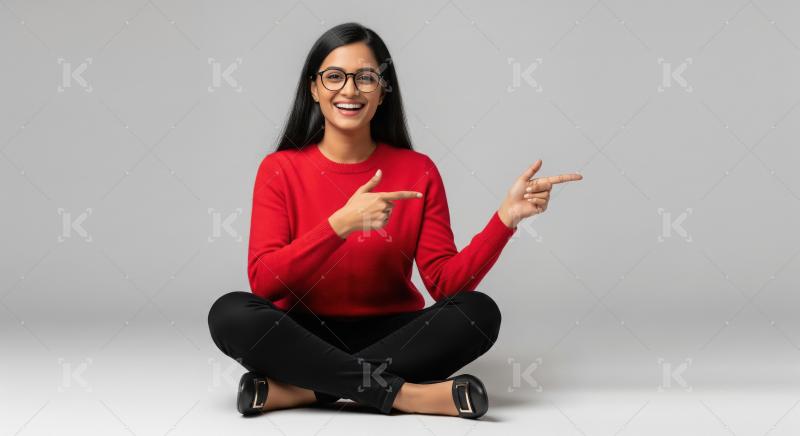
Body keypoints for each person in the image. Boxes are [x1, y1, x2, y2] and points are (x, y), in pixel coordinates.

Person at [207, 22, 583, 419]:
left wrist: (504, 220)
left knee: (478, 313)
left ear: (383, 90)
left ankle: (310, 390)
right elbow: (264, 282)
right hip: (302, 331)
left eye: (366, 78)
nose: (349, 90)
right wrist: (339, 225)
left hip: (394, 334)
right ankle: (408, 396)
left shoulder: (417, 169)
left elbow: (444, 284)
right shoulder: (279, 169)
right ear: (313, 88)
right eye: (334, 77)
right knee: (230, 313)